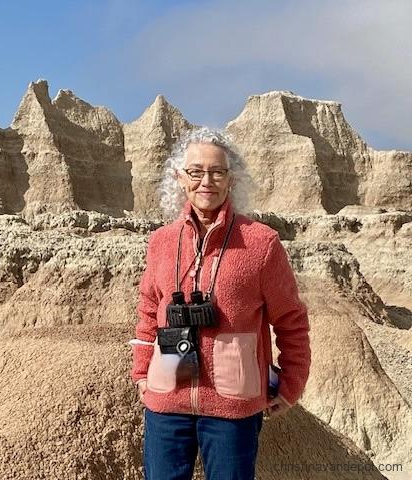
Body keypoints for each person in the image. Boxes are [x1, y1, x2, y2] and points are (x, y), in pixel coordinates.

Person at [129, 127, 311, 480]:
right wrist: (141, 375)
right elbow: (148, 311)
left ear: (231, 179)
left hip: (233, 406)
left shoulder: (262, 243)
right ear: (180, 178)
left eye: (217, 172)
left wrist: (290, 386)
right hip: (166, 399)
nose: (206, 181)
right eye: (196, 171)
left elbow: (291, 320)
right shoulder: (162, 242)